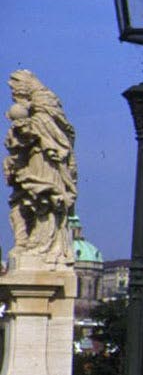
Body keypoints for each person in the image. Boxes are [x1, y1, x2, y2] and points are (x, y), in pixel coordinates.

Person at [4, 70, 77, 266]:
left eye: (14, 91)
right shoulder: (37, 108)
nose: (14, 96)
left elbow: (52, 135)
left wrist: (23, 126)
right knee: (25, 201)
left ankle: (43, 243)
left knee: (43, 199)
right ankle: (28, 241)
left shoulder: (43, 107)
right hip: (33, 160)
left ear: (23, 88)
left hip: (45, 161)